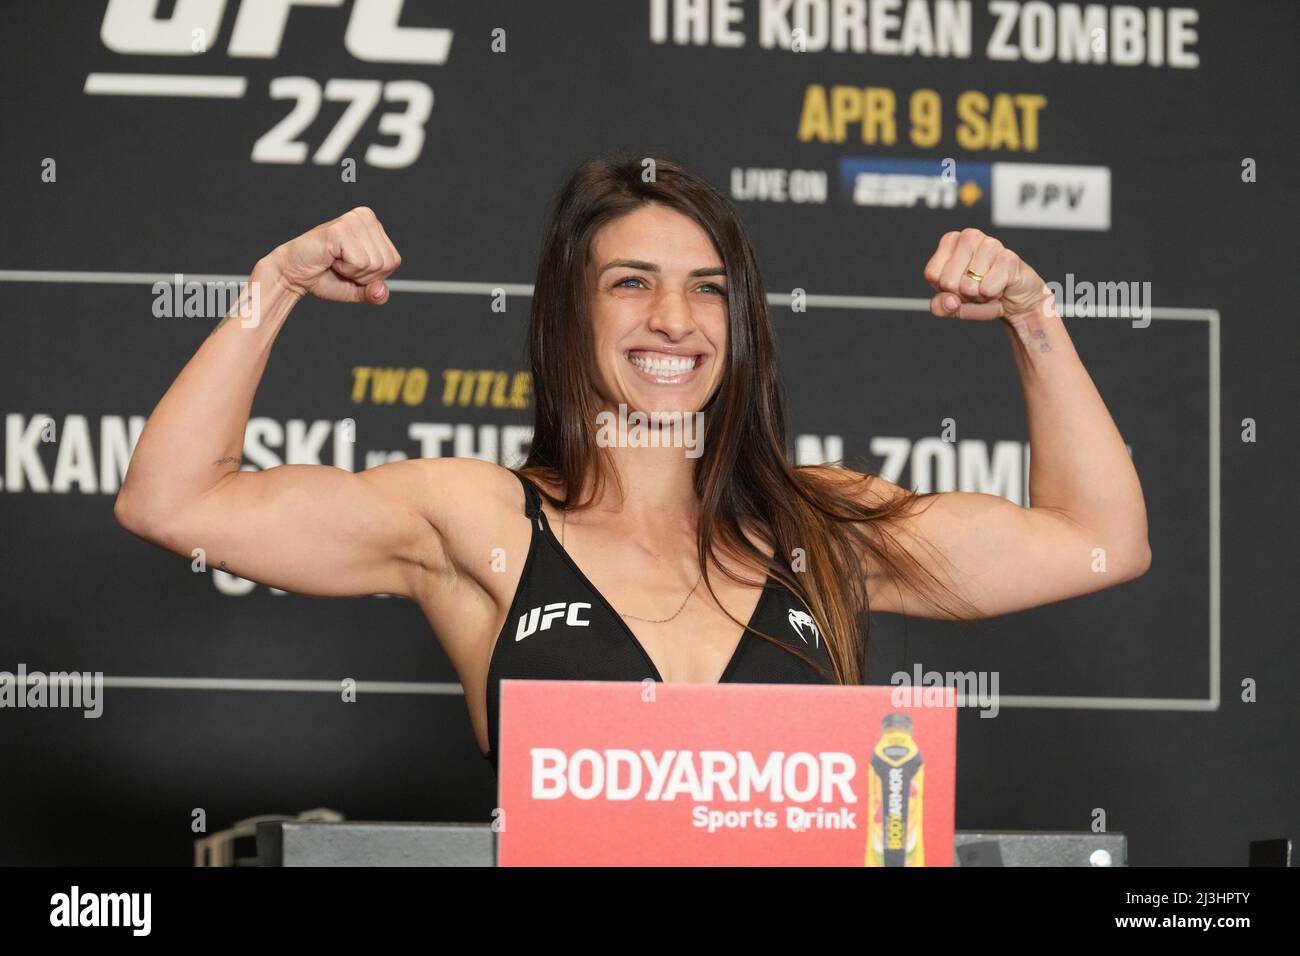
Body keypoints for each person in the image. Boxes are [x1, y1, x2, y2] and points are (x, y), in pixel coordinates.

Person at [114, 154, 1151, 773]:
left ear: (740, 322)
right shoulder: (474, 518)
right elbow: (174, 499)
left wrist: (1034, 320)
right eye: (630, 282)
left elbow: (1095, 543)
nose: (673, 319)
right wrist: (274, 284)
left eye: (707, 288)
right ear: (572, 309)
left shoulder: (822, 528)